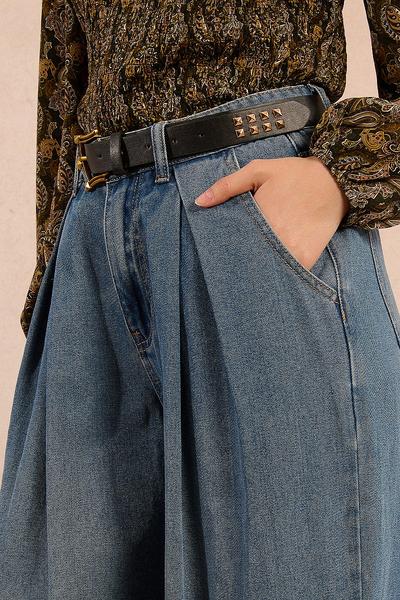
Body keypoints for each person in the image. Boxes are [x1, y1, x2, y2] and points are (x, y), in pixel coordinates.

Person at [1, 1, 400, 598]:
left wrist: (346, 172)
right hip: (90, 231)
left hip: (250, 208)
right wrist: (53, 267)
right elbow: (66, 61)